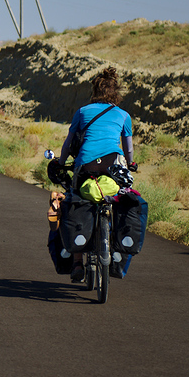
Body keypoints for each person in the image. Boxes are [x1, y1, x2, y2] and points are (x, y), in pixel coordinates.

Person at [56, 66, 134, 282]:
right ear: (115, 92)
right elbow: (128, 148)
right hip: (113, 164)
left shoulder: (82, 112)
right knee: (119, 199)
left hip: (86, 165)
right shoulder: (123, 115)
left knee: (76, 203)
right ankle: (116, 246)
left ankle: (78, 263)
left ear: (95, 91)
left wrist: (61, 163)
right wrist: (131, 163)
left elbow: (68, 144)